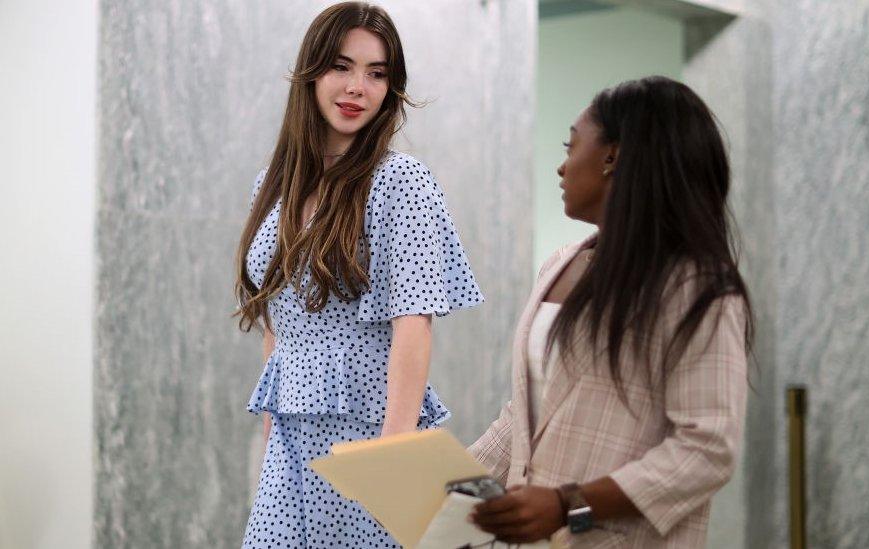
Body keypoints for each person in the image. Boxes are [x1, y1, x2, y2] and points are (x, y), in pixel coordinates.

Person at [234, 3, 483, 546]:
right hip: (290, 447)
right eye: (342, 67)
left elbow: (413, 325)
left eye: (376, 74)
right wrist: (274, 440)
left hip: (369, 436)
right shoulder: (271, 187)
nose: (357, 88)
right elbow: (278, 325)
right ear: (312, 71)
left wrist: (390, 462)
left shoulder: (401, 182)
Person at [469, 76, 753, 548]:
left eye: (571, 145)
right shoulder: (560, 263)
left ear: (612, 156)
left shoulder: (696, 284)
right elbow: (525, 415)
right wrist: (449, 491)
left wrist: (568, 503)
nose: (561, 167)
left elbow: (708, 449)